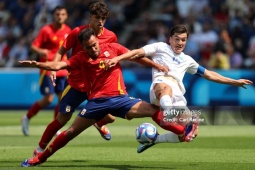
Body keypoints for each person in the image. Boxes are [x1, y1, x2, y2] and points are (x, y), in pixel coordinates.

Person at [19, 28, 198, 167]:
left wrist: (155, 64)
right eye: (89, 47)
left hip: (121, 99)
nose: (93, 49)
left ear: (97, 41)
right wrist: (39, 64)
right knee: (70, 132)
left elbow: (134, 55)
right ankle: (39, 158)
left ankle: (183, 131)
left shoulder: (112, 48)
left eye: (94, 44)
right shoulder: (80, 58)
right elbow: (60, 64)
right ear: (83, 47)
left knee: (154, 110)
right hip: (96, 103)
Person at [31, 1, 169, 158]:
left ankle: (98, 121)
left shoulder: (111, 37)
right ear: (90, 17)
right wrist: (54, 68)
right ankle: (40, 148)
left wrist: (154, 64)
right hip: (77, 84)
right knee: (62, 118)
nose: (100, 21)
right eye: (97, 17)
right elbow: (62, 49)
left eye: (103, 18)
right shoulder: (77, 32)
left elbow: (128, 54)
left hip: (98, 88)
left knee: (110, 117)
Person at [104, 24, 253, 153]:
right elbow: (137, 52)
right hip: (160, 87)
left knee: (188, 135)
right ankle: (169, 113)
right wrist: (118, 59)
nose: (180, 42)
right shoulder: (160, 47)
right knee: (165, 88)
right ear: (170, 39)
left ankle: (155, 140)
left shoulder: (188, 60)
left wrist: (234, 82)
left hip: (177, 95)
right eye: (177, 38)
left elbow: (209, 74)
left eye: (183, 40)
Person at [21, 6, 71, 136]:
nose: (60, 16)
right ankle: (27, 117)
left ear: (66, 16)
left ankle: (55, 126)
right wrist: (40, 51)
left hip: (61, 69)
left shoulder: (68, 30)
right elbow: (33, 47)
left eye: (62, 14)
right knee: (49, 99)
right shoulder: (46, 30)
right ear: (53, 16)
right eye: (57, 14)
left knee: (62, 99)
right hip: (48, 69)